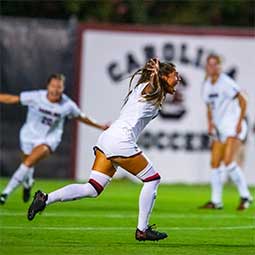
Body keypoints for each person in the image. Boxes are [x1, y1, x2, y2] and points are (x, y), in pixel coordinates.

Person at [27, 59, 181, 241]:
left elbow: (152, 89)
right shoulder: (151, 88)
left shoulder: (146, 88)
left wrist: (156, 76)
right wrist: (155, 75)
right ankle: (142, 230)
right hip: (120, 141)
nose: (178, 78)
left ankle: (45, 198)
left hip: (108, 138)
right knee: (153, 179)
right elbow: (152, 88)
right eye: (175, 75)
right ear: (163, 76)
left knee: (92, 188)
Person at [0, 73, 108, 204]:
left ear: (63, 88)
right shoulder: (36, 97)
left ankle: (5, 193)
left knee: (28, 163)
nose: (55, 90)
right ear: (48, 86)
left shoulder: (67, 105)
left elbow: (81, 117)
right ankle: (28, 182)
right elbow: (13, 99)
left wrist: (99, 125)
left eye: (59, 87)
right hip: (28, 136)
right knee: (27, 164)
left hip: (49, 140)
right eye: (53, 86)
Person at [200, 54, 252, 210]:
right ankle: (216, 201)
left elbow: (244, 100)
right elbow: (209, 106)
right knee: (215, 163)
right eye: (209, 64)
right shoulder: (207, 84)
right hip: (219, 128)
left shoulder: (226, 83)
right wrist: (210, 123)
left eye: (215, 64)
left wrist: (239, 122)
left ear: (220, 67)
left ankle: (246, 196)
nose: (212, 67)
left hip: (233, 126)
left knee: (229, 162)